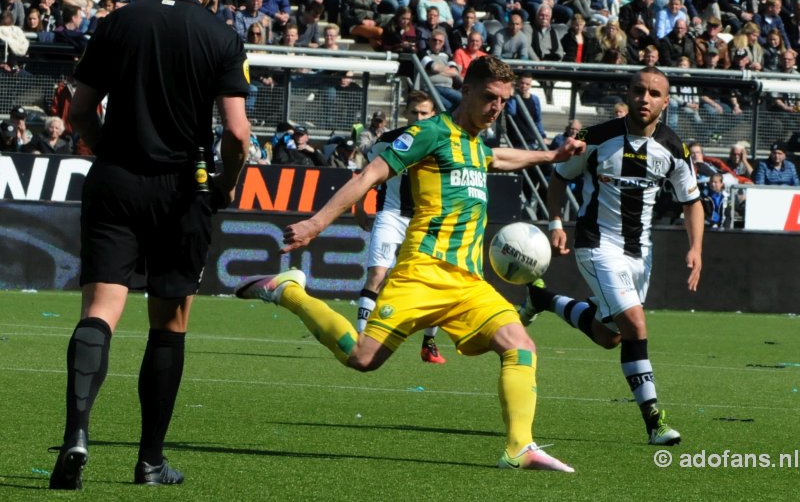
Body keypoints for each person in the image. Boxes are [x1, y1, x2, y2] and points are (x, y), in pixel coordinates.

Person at [235, 55, 585, 472]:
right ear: (467, 91)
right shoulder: (430, 133)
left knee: (520, 346)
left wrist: (551, 156)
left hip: (469, 283)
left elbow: (498, 159)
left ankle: (519, 448)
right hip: (421, 271)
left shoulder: (474, 144)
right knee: (363, 359)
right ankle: (290, 291)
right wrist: (315, 224)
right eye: (490, 97)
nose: (496, 107)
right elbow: (368, 176)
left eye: (504, 101)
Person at [48, 0, 251, 490]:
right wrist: (225, 188)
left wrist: (106, 145)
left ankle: (76, 436)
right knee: (169, 320)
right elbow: (236, 134)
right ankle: (150, 461)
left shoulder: (119, 22)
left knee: (99, 311)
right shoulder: (219, 35)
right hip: (181, 189)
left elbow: (81, 111)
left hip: (115, 180)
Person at [520, 67, 704, 447]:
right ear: (629, 93)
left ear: (666, 102)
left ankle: (544, 299)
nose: (645, 98)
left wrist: (696, 247)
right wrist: (555, 221)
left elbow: (692, 202)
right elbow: (559, 176)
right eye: (639, 90)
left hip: (640, 254)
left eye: (654, 93)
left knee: (610, 337)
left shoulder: (674, 148)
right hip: (596, 245)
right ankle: (655, 421)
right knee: (636, 326)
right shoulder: (595, 138)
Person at [354, 92, 447, 364]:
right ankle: (361, 339)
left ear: (433, 115)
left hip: (425, 219)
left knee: (435, 281)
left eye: (425, 113)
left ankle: (429, 343)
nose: (419, 118)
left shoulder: (442, 143)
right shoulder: (387, 141)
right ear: (406, 114)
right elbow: (367, 176)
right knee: (377, 275)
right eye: (415, 113)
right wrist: (360, 206)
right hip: (391, 214)